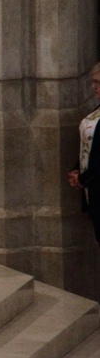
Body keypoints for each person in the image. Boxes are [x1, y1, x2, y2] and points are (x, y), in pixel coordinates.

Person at [68, 62, 100, 245]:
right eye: (93, 82)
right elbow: (89, 144)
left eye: (98, 83)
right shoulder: (97, 109)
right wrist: (76, 170)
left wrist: (83, 178)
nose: (93, 87)